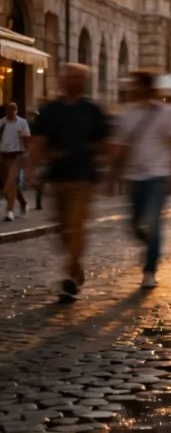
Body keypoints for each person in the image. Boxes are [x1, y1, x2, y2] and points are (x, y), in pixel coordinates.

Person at [27, 64, 111, 302]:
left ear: (84, 81)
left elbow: (105, 143)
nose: (73, 81)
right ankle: (76, 266)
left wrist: (106, 168)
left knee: (76, 225)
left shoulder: (92, 110)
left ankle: (70, 276)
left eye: (78, 77)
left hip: (83, 178)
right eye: (69, 77)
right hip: (58, 177)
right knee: (61, 229)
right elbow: (38, 143)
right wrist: (32, 169)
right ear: (62, 81)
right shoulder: (50, 110)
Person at [109, 70, 171, 289]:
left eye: (136, 85)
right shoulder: (127, 113)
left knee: (153, 222)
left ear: (147, 87)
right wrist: (111, 173)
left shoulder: (167, 111)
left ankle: (149, 269)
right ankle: (152, 247)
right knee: (133, 224)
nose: (133, 89)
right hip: (135, 176)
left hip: (158, 175)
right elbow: (119, 147)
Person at [0, 102, 31, 221]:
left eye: (12, 110)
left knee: (11, 182)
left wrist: (23, 137)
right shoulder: (2, 123)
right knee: (7, 182)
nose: (10, 113)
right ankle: (22, 203)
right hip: (5, 155)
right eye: (8, 110)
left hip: (17, 155)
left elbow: (27, 138)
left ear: (16, 111)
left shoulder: (22, 122)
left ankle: (9, 211)